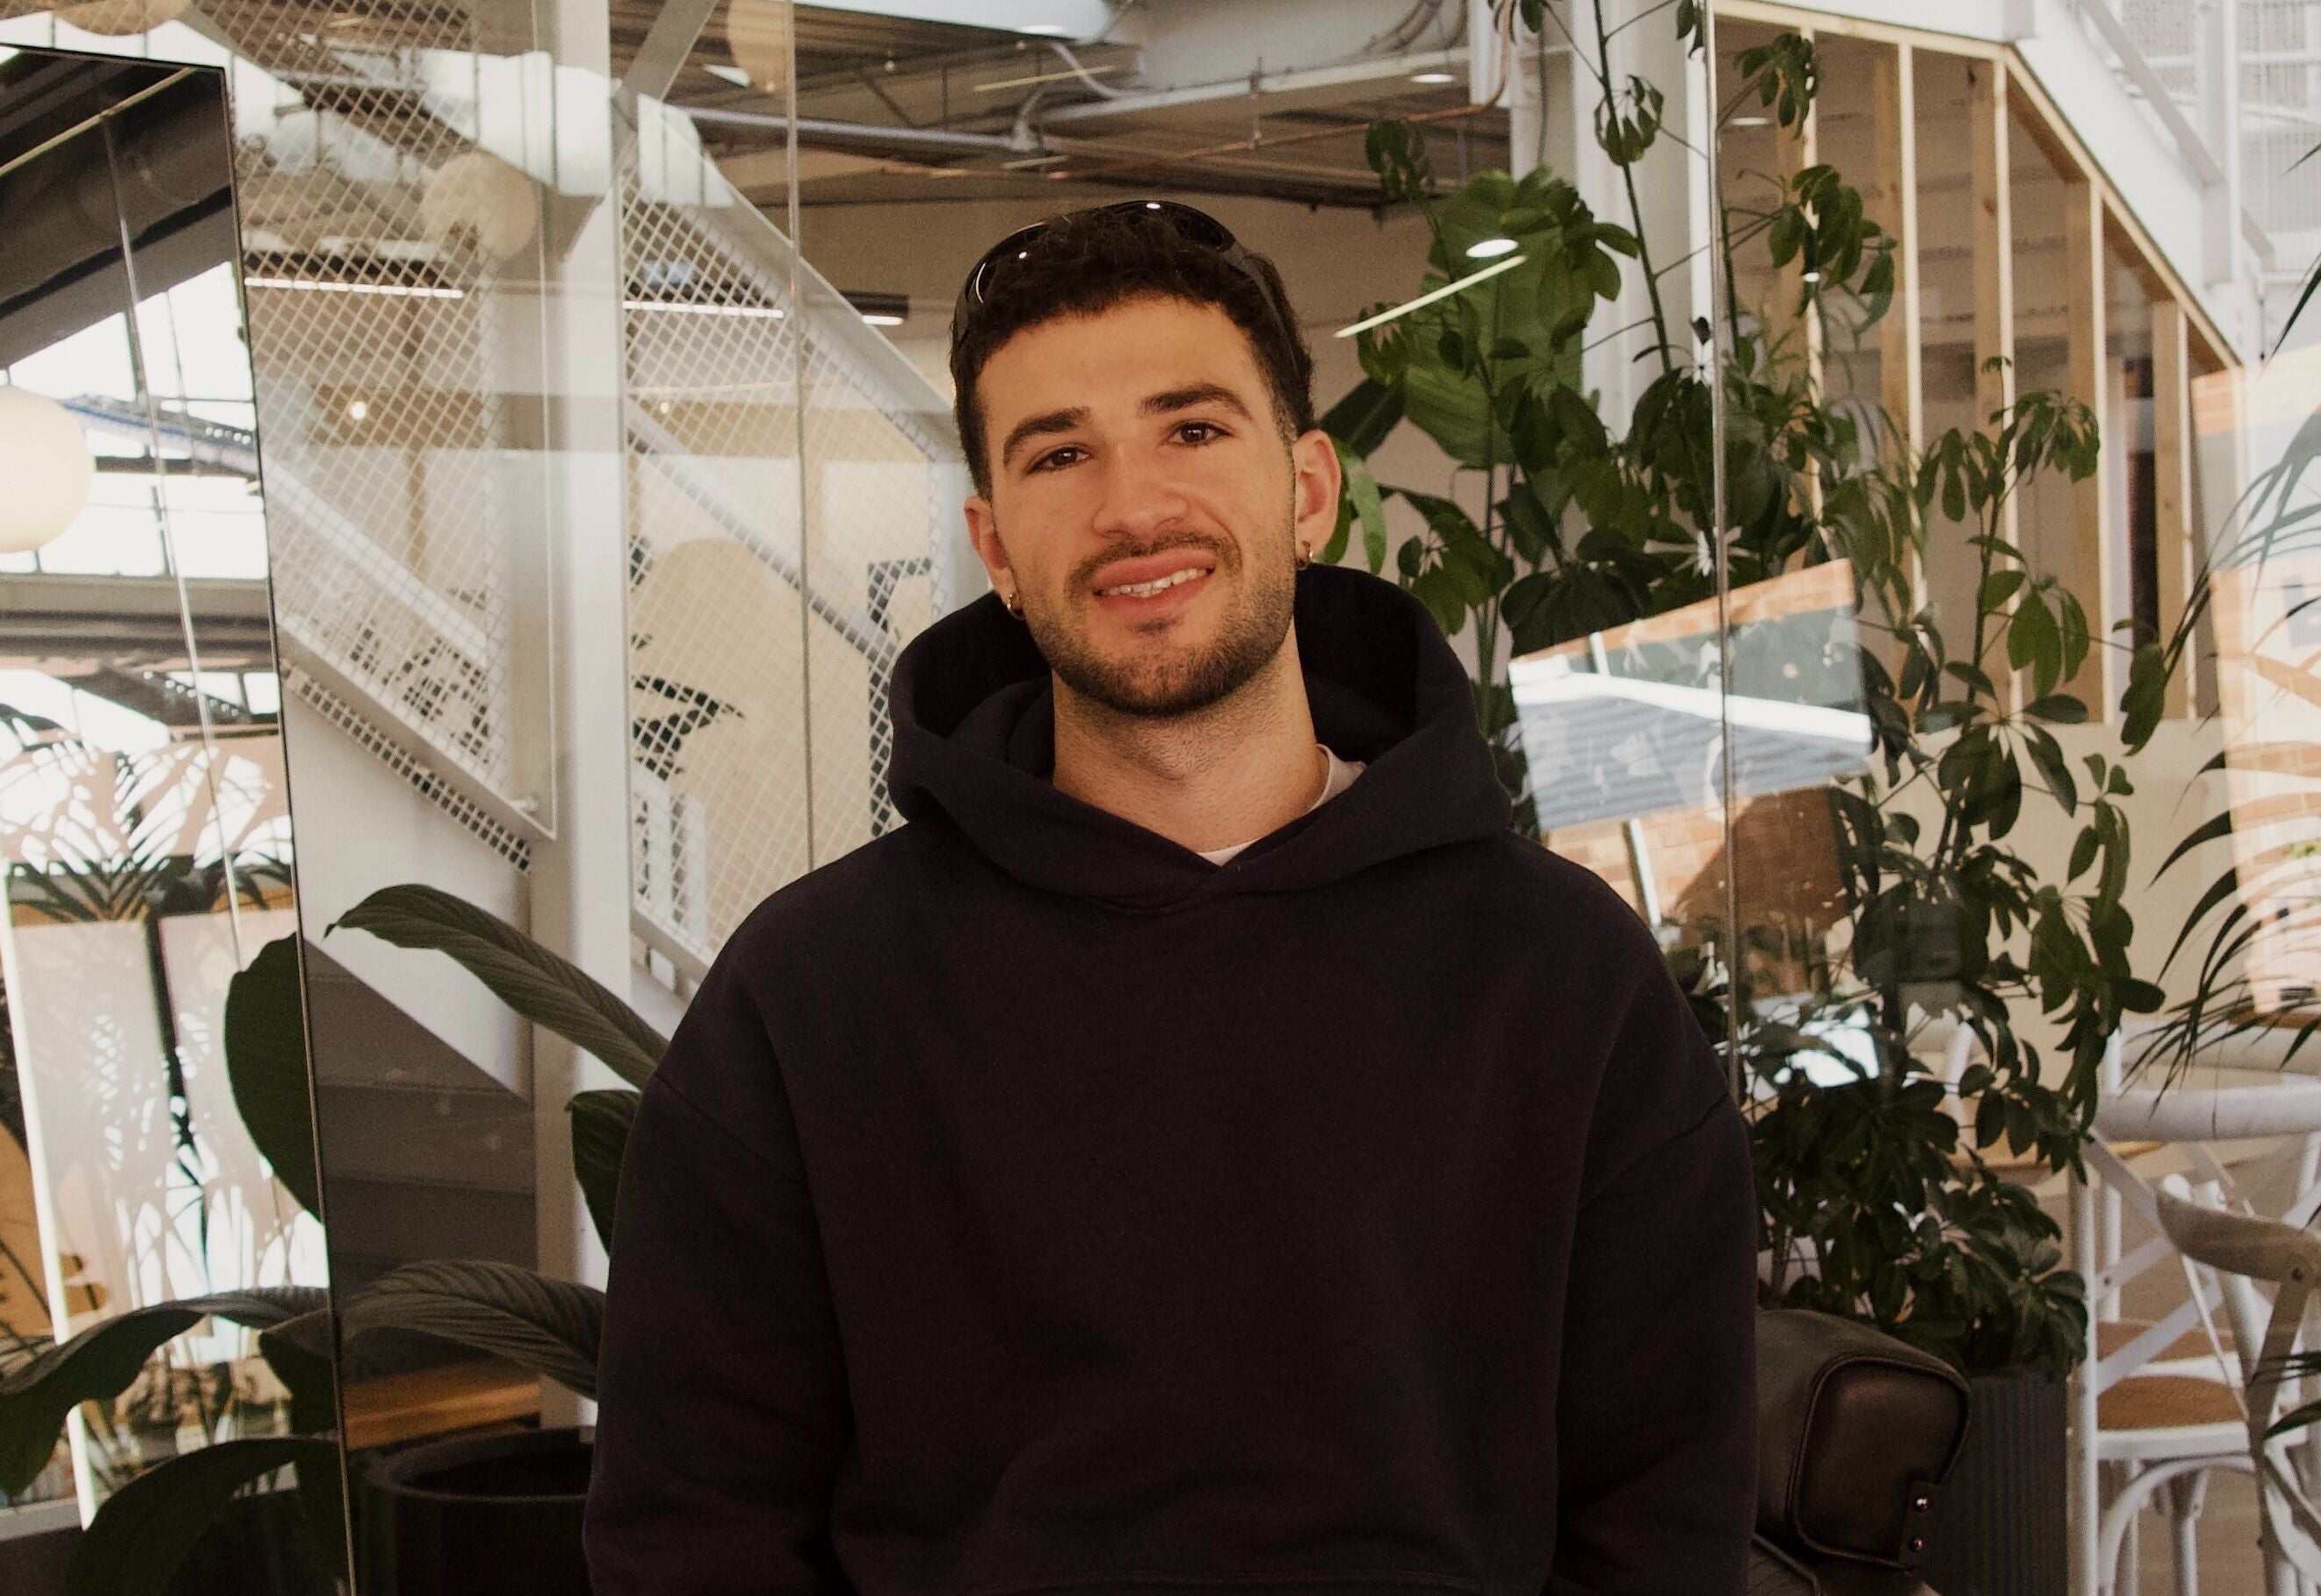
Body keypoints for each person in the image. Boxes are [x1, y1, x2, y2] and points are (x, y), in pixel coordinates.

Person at [585, 200, 1756, 1596]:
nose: (1132, 506)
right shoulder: (813, 995)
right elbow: (692, 1529)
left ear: (1308, 489)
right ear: (994, 544)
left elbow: (1662, 1519)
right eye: (1060, 453)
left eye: (1191, 429)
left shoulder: (1563, 980)